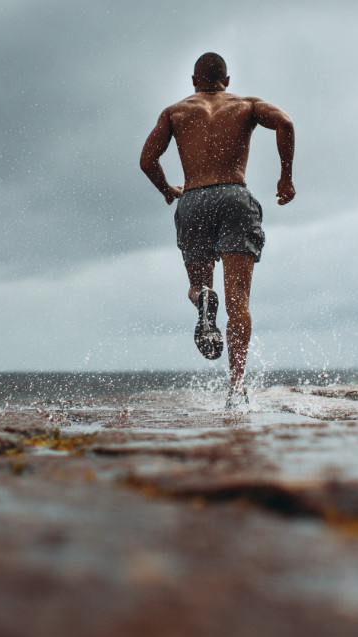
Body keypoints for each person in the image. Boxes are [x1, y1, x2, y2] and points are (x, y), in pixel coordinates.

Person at [139, 52, 295, 408]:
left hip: (193, 199)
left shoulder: (175, 111)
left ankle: (203, 300)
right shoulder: (247, 104)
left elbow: (147, 160)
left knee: (199, 285)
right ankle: (236, 387)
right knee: (238, 299)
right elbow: (285, 122)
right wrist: (285, 177)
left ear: (194, 81)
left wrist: (168, 191)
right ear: (227, 79)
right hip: (233, 196)